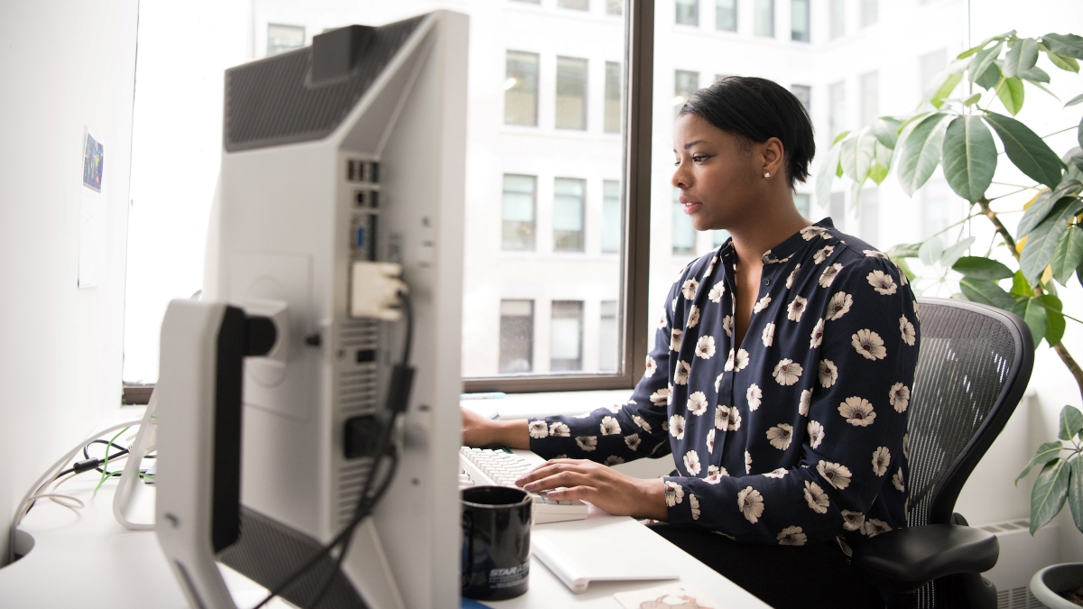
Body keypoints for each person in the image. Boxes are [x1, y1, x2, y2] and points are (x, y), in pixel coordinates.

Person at [461, 76, 919, 609]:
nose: (678, 177)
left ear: (769, 156)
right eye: (678, 159)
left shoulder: (860, 282)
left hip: (820, 563)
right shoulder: (698, 283)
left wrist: (648, 496)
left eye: (699, 157)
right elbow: (646, 421)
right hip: (705, 539)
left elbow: (832, 494)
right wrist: (497, 432)